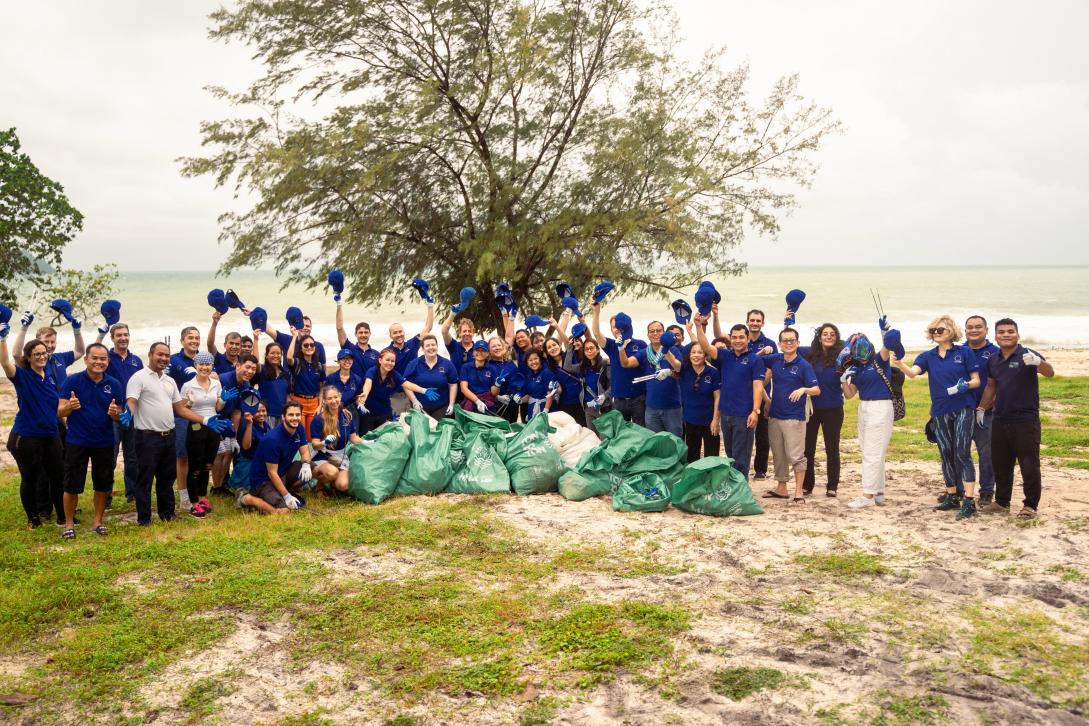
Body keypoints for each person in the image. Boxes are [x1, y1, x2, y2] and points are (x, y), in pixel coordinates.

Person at [125, 342, 230, 526]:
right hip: (147, 436)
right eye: (160, 354)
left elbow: (180, 409)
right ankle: (144, 518)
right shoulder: (138, 377)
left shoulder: (169, 381)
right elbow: (132, 401)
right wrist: (128, 412)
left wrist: (205, 420)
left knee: (167, 478)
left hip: (169, 435)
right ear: (150, 355)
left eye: (166, 355)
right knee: (145, 479)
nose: (164, 358)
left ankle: (168, 513)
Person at [897, 315, 981, 519]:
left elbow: (977, 381)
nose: (936, 333)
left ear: (951, 331)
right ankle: (952, 496)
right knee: (946, 452)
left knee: (962, 452)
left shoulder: (964, 352)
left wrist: (965, 386)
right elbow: (913, 373)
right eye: (933, 330)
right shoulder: (928, 356)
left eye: (940, 330)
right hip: (940, 410)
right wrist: (899, 363)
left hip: (963, 407)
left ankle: (969, 501)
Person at [977, 319, 1054, 519]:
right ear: (995, 336)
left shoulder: (1028, 354)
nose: (1006, 335)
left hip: (1025, 420)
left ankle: (1030, 506)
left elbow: (1050, 372)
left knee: (1029, 463)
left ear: (1017, 335)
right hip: (1000, 419)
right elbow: (991, 386)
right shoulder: (993, 359)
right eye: (1001, 332)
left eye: (1010, 331)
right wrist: (981, 408)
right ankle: (1002, 502)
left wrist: (1039, 363)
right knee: (1001, 463)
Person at [55, 344, 123, 538]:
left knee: (102, 484)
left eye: (103, 359)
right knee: (71, 484)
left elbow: (120, 413)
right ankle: (69, 525)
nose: (98, 362)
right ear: (86, 359)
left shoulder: (114, 384)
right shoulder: (73, 381)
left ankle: (97, 522)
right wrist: (70, 406)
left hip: (104, 441)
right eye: (95, 358)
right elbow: (60, 410)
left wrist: (115, 413)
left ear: (107, 362)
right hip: (78, 440)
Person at [1, 331, 65, 529]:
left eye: (44, 353)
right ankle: (33, 519)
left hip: (51, 435)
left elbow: (57, 406)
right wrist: (3, 338)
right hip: (27, 437)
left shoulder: (51, 378)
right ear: (28, 358)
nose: (41, 356)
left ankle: (63, 517)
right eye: (36, 354)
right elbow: (5, 362)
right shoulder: (22, 377)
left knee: (58, 477)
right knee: (30, 478)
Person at [840, 328, 902, 509]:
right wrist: (843, 380)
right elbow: (850, 394)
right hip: (864, 406)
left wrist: (885, 331)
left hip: (881, 406)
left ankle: (867, 495)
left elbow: (887, 346)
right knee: (871, 450)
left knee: (872, 453)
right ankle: (879, 492)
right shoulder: (856, 367)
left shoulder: (879, 360)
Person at [695, 321, 764, 477]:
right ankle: (734, 486)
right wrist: (699, 327)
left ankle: (741, 489)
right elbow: (706, 347)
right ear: (730, 339)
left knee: (741, 456)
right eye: (734, 337)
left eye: (741, 337)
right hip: (726, 413)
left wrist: (755, 411)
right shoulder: (725, 355)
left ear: (747, 339)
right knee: (730, 453)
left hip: (744, 415)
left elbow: (758, 386)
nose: (737, 340)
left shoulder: (755, 360)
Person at [761, 328, 820, 503]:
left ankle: (799, 491)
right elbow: (754, 360)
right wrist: (763, 351)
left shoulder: (803, 365)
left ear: (798, 343)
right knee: (778, 454)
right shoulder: (776, 360)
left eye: (792, 340)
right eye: (785, 340)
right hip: (775, 415)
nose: (788, 343)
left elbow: (817, 390)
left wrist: (804, 389)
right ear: (779, 344)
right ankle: (782, 488)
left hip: (794, 417)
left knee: (796, 455)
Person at [237, 400, 314, 514]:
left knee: (312, 467)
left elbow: (304, 452)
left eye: (297, 414)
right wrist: (287, 497)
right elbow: (272, 473)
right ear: (283, 417)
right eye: (291, 415)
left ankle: (284, 491)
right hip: (263, 481)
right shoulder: (272, 439)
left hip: (282, 473)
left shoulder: (299, 428)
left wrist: (306, 464)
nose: (295, 418)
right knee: (283, 511)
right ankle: (246, 498)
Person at [180, 352, 231, 517]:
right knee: (195, 465)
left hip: (213, 426)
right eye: (201, 364)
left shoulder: (216, 383)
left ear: (211, 366)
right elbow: (182, 410)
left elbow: (218, 408)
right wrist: (190, 403)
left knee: (208, 464)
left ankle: (202, 497)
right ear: (195, 365)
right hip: (196, 426)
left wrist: (223, 400)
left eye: (208, 364)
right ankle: (193, 502)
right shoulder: (188, 385)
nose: (204, 367)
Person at [101, 323, 143, 504]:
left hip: (133, 414)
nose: (123, 338)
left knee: (132, 456)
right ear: (112, 338)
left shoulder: (136, 360)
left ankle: (132, 493)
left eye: (126, 334)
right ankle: (106, 495)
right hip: (112, 414)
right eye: (119, 335)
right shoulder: (106, 359)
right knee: (109, 456)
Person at [801, 323, 845, 497]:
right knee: (808, 448)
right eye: (825, 334)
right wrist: (788, 322)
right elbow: (790, 345)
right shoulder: (809, 354)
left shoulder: (842, 358)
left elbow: (857, 347)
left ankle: (832, 486)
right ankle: (807, 485)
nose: (828, 336)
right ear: (819, 337)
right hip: (812, 408)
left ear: (836, 338)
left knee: (832, 448)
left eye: (832, 334)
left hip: (834, 408)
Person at [617, 321, 682, 437]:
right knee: (655, 444)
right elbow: (625, 363)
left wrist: (669, 370)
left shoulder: (673, 350)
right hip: (652, 407)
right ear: (648, 335)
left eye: (659, 331)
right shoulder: (644, 353)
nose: (655, 334)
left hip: (672, 407)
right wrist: (621, 348)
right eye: (652, 331)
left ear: (664, 333)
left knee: (675, 442)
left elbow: (679, 369)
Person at [663, 342, 721, 462]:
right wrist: (665, 347)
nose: (696, 355)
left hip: (710, 421)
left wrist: (716, 419)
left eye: (700, 352)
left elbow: (718, 397)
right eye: (693, 352)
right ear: (689, 355)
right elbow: (673, 361)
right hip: (690, 421)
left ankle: (711, 479)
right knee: (692, 456)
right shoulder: (684, 369)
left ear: (705, 355)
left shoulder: (713, 372)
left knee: (712, 456)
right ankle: (695, 479)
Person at [964, 315, 1000, 505]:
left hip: (986, 412)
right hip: (961, 411)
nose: (974, 330)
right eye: (970, 327)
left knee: (986, 454)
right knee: (960, 453)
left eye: (978, 327)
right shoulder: (958, 351)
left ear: (986, 330)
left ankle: (987, 490)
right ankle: (959, 489)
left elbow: (1000, 382)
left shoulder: (996, 352)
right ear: (965, 331)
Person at [592, 303, 647, 425]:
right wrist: (596, 312)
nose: (616, 329)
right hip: (619, 400)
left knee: (642, 433)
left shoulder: (641, 344)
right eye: (613, 327)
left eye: (618, 326)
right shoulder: (611, 345)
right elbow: (596, 333)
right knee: (620, 434)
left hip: (639, 398)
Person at [357, 348, 435, 432]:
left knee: (385, 438)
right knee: (367, 439)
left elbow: (407, 384)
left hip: (384, 412)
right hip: (368, 412)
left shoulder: (394, 374)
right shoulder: (372, 371)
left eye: (392, 361)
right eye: (387, 360)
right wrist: (364, 395)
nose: (390, 363)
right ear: (380, 360)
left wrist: (424, 390)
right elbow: (368, 382)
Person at [742, 309, 778, 480]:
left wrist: (756, 387)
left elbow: (770, 371)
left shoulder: (770, 344)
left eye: (758, 320)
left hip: (763, 395)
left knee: (762, 434)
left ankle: (760, 470)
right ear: (747, 321)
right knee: (742, 432)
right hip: (741, 396)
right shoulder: (741, 341)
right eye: (752, 320)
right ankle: (740, 467)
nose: (755, 323)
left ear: (763, 323)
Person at [167, 326, 201, 505]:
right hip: (180, 415)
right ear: (182, 341)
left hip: (200, 415)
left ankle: (196, 493)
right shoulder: (173, 360)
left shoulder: (202, 359)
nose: (194, 341)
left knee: (197, 456)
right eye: (190, 338)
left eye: (197, 338)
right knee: (182, 456)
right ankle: (183, 496)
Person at [310, 385, 361, 493]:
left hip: (340, 456)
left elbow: (353, 438)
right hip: (322, 455)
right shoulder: (318, 419)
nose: (334, 401)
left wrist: (370, 442)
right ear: (324, 401)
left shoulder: (347, 416)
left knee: (343, 486)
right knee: (332, 473)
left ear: (340, 397)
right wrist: (324, 442)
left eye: (335, 397)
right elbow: (314, 445)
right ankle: (319, 484)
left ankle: (333, 482)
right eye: (329, 398)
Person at [387, 301, 436, 413]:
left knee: (418, 422)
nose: (399, 334)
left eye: (400, 331)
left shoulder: (412, 344)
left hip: (416, 389)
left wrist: (430, 306)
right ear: (390, 335)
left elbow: (428, 327)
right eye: (395, 333)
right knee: (401, 425)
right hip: (397, 394)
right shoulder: (388, 352)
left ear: (404, 332)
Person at [403, 334, 458, 420]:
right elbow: (405, 384)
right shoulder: (414, 364)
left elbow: (453, 384)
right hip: (420, 408)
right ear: (422, 348)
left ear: (437, 346)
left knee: (437, 429)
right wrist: (414, 401)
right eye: (427, 345)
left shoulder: (447, 364)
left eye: (433, 345)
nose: (431, 347)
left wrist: (451, 404)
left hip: (441, 407)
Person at [286, 332, 326, 433]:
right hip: (298, 402)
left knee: (312, 435)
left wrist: (320, 406)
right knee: (299, 434)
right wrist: (294, 336)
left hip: (314, 403)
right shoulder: (297, 363)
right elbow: (289, 358)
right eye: (306, 345)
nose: (309, 347)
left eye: (312, 345)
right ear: (301, 348)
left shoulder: (319, 366)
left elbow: (322, 388)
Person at [229, 400, 270, 492]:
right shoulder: (249, 426)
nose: (261, 414)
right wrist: (249, 424)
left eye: (263, 411)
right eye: (257, 411)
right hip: (249, 464)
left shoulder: (266, 426)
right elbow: (246, 446)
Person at [543, 336, 585, 425]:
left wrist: (556, 326)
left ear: (559, 345)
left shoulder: (570, 355)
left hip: (581, 400)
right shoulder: (550, 367)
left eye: (554, 345)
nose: (553, 348)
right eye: (549, 347)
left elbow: (567, 343)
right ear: (546, 352)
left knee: (584, 429)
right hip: (565, 403)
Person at [334, 306, 378, 380]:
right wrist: (339, 305)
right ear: (355, 334)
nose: (363, 335)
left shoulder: (377, 354)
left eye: (366, 332)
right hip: (353, 389)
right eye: (360, 332)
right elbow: (339, 328)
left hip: (371, 390)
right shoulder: (349, 348)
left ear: (370, 334)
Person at [576, 337, 610, 429]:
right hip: (588, 408)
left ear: (598, 349)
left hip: (602, 408)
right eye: (586, 349)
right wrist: (571, 348)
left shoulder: (605, 364)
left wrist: (604, 396)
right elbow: (567, 367)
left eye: (592, 348)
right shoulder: (583, 367)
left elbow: (613, 385)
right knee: (593, 438)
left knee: (604, 439)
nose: (589, 351)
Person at [459, 340, 500, 414]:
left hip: (487, 403)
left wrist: (497, 385)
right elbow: (463, 389)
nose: (480, 353)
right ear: (473, 352)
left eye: (483, 350)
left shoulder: (493, 368)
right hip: (470, 401)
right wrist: (477, 401)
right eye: (477, 350)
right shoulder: (465, 367)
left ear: (488, 353)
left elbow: (494, 393)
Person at [255, 341, 289, 428]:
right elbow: (255, 361)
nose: (275, 355)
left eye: (278, 353)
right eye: (272, 353)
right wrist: (255, 339)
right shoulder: (262, 370)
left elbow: (287, 395)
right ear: (266, 355)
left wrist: (287, 413)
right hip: (267, 414)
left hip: (282, 415)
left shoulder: (285, 373)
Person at [521, 350, 557, 420]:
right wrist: (520, 400)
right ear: (527, 363)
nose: (533, 362)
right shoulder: (529, 375)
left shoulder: (546, 372)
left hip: (546, 408)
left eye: (535, 359)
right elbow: (530, 395)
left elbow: (550, 395)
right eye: (530, 360)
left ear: (540, 359)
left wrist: (545, 411)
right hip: (533, 408)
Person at [207, 311, 243, 375]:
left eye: (237, 344)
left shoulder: (243, 361)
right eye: (231, 343)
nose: (234, 346)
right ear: (225, 345)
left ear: (240, 347)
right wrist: (214, 323)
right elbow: (210, 344)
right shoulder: (218, 358)